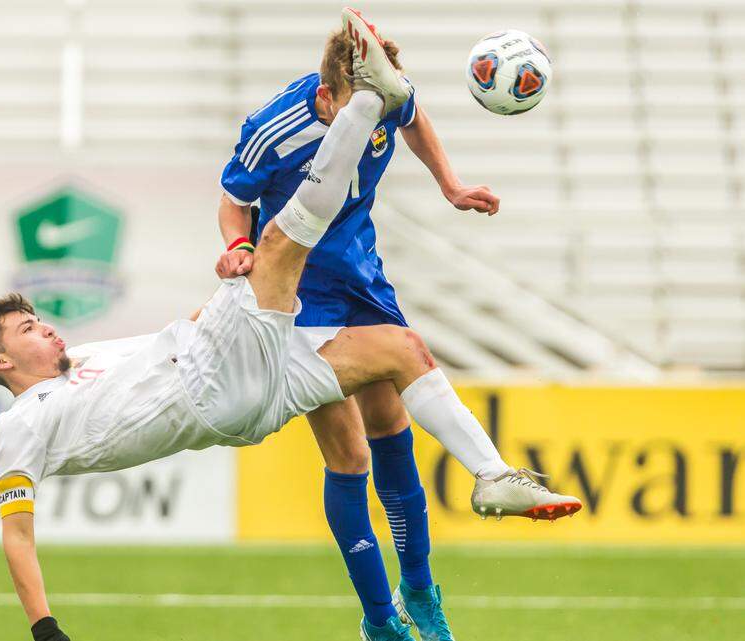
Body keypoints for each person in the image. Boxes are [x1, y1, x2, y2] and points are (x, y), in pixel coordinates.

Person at [0, 13, 579, 640]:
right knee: (288, 249)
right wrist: (44, 628)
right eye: (27, 330)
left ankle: (422, 584)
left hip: (239, 345)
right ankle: (391, 600)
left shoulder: (89, 358)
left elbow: (165, 344)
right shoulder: (22, 424)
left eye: (38, 320)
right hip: (225, 375)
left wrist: (446, 184)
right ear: (2, 364)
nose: (46, 329)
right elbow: (16, 529)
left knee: (402, 364)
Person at [213, 9, 554, 640]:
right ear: (325, 98)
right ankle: (381, 621)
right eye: (358, 112)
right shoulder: (276, 127)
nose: (374, 117)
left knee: (394, 432)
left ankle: (420, 593)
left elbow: (413, 112)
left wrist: (449, 183)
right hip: (300, 295)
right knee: (349, 453)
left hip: (361, 276)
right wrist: (237, 247)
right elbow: (234, 196)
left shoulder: (381, 93)